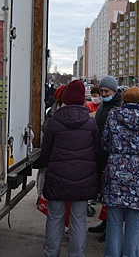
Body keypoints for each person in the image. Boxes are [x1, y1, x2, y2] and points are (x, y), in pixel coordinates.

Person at [41, 79, 100, 257]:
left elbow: (45, 154)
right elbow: (97, 153)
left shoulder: (54, 123)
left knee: (54, 219)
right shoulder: (91, 124)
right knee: (79, 221)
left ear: (64, 99)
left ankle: (51, 254)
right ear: (83, 100)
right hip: (83, 181)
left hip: (57, 178)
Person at [102, 87, 139, 257]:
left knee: (113, 223)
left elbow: (104, 143)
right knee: (134, 224)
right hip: (138, 175)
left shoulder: (113, 116)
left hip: (115, 170)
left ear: (124, 100)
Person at [88, 75, 123, 242]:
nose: (103, 94)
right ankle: (104, 221)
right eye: (101, 91)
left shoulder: (118, 106)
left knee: (111, 194)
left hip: (111, 155)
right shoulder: (104, 105)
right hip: (100, 153)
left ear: (114, 91)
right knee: (104, 193)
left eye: (106, 91)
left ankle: (110, 227)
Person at [36, 84, 66, 198]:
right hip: (50, 145)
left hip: (57, 147)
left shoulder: (53, 109)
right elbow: (45, 127)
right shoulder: (51, 110)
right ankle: (40, 194)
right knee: (44, 170)